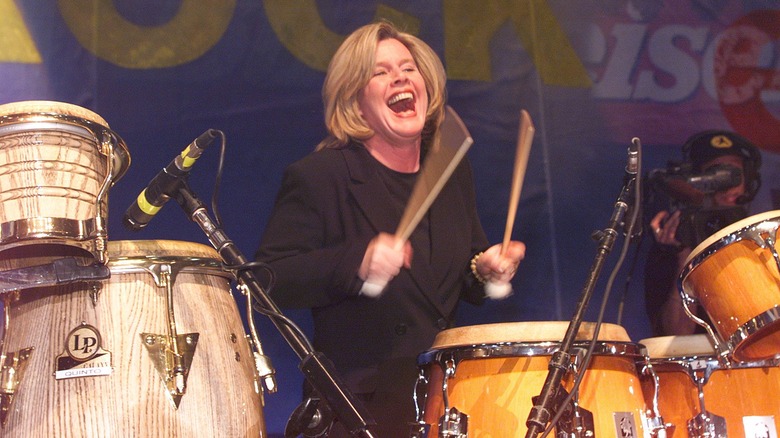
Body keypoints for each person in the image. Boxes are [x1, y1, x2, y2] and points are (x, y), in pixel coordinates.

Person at [255, 21, 526, 436]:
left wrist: (486, 270)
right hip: (360, 411)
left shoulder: (451, 172)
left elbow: (462, 278)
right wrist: (356, 264)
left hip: (442, 401)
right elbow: (268, 281)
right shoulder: (321, 176)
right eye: (380, 72)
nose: (399, 77)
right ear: (355, 102)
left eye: (408, 68)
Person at [644, 130, 761, 337]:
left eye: (733, 175)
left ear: (749, 180)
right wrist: (684, 259)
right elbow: (677, 338)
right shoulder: (673, 246)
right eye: (716, 175)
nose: (727, 185)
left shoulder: (766, 238)